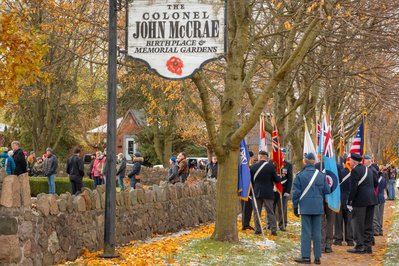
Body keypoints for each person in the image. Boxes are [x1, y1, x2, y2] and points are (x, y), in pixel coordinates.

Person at [292, 152, 330, 264]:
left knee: (306, 232)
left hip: (305, 207)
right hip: (318, 207)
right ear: (314, 162)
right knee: (317, 232)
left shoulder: (300, 175)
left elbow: (295, 194)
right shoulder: (321, 176)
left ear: (305, 161)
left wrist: (295, 206)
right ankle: (317, 257)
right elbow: (327, 191)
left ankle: (306, 257)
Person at [347, 153, 378, 254]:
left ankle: (360, 246)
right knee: (368, 224)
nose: (349, 162)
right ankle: (368, 246)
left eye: (350, 161)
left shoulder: (355, 171)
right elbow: (375, 182)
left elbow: (353, 188)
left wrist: (349, 201)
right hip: (371, 199)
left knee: (358, 224)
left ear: (354, 162)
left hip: (360, 201)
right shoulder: (368, 169)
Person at [251, 150, 281, 236]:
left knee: (257, 212)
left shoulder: (253, 167)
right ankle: (273, 229)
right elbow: (277, 180)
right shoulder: (271, 167)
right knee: (270, 212)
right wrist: (279, 176)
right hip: (268, 192)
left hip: (257, 192)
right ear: (266, 157)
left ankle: (257, 229)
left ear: (259, 156)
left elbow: (251, 181)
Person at [315, 159, 342, 253]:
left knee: (324, 222)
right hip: (327, 196)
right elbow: (340, 181)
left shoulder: (317, 165)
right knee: (328, 222)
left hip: (327, 197)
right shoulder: (336, 166)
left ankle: (323, 245)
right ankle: (327, 245)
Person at [333, 155, 354, 246]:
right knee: (349, 221)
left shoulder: (339, 172)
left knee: (338, 221)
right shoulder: (354, 173)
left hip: (339, 199)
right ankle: (349, 240)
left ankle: (338, 239)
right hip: (350, 199)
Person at [273, 147, 293, 231]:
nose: (281, 155)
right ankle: (271, 224)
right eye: (280, 153)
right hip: (274, 188)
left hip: (284, 189)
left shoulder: (288, 165)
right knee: (271, 207)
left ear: (285, 154)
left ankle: (283, 224)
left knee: (282, 208)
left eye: (283, 153)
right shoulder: (273, 163)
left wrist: (288, 191)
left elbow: (290, 178)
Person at [241, 151, 254, 231]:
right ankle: (245, 224)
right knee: (246, 209)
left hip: (248, 191)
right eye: (252, 157)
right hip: (246, 191)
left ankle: (246, 223)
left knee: (248, 209)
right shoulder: (246, 167)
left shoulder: (249, 167)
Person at [373, 166, 386, 236]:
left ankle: (376, 230)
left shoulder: (377, 179)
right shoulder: (383, 178)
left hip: (377, 198)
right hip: (382, 198)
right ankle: (380, 229)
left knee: (375, 215)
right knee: (380, 216)